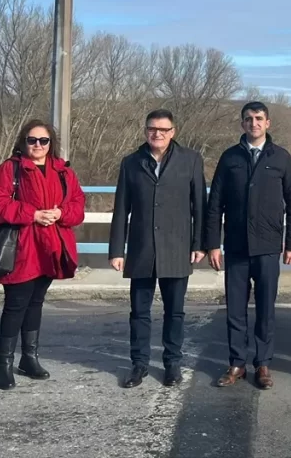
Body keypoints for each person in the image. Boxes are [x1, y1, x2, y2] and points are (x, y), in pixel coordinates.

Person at [205, 101, 291, 390]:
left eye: (259, 118)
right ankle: (237, 363)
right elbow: (214, 205)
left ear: (268, 123)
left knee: (265, 309)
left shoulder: (281, 158)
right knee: (235, 309)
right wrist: (212, 244)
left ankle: (262, 363)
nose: (254, 123)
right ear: (242, 124)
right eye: (248, 119)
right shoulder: (230, 157)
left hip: (269, 246)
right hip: (235, 246)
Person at [0, 120, 86, 390]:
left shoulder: (63, 172)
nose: (37, 145)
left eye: (43, 140)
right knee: (16, 304)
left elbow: (77, 206)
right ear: (23, 142)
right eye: (32, 140)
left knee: (36, 302)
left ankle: (29, 357)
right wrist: (33, 214)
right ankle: (4, 364)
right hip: (22, 247)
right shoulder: (11, 169)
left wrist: (60, 213)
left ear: (51, 143)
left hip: (51, 246)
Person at [109, 109, 206, 389]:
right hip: (141, 249)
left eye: (163, 129)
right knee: (139, 312)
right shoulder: (131, 163)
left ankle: (172, 363)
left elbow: (199, 205)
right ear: (145, 131)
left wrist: (199, 243)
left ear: (173, 132)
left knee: (175, 312)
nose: (157, 134)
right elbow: (121, 210)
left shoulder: (190, 160)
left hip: (177, 247)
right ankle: (138, 364)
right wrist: (117, 250)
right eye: (152, 129)